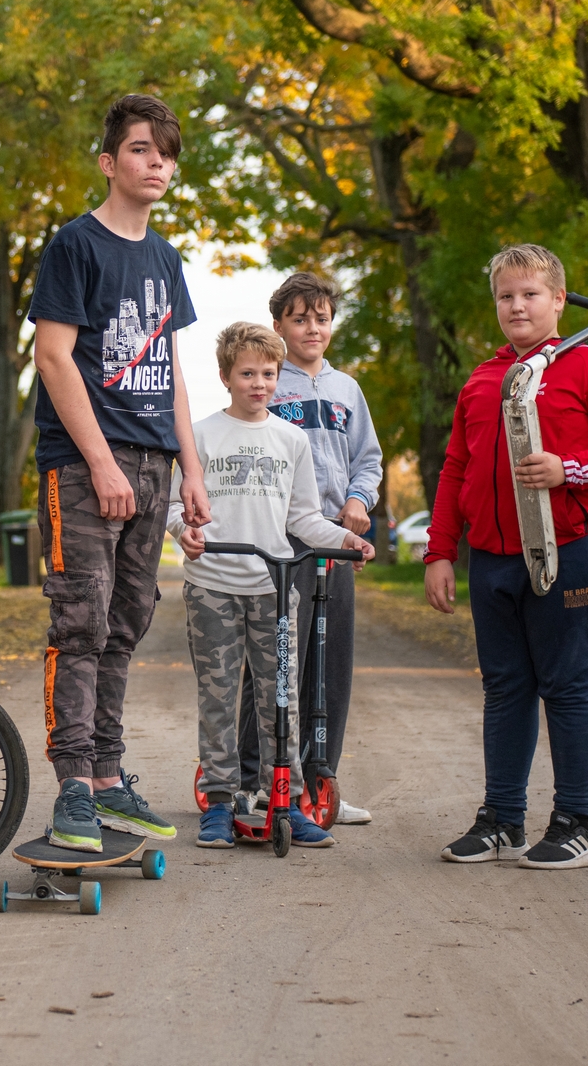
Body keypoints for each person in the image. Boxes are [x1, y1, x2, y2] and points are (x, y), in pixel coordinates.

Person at [27, 93, 212, 852]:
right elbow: (52, 357)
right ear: (109, 162)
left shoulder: (165, 258)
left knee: (128, 619)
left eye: (166, 154)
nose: (156, 163)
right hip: (85, 464)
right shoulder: (75, 245)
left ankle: (108, 777)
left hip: (152, 463)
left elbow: (171, 369)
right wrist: (102, 463)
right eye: (141, 149)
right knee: (81, 619)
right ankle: (72, 787)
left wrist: (191, 469)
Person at [424, 244, 588, 868]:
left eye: (530, 294)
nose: (517, 305)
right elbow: (456, 466)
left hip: (569, 548)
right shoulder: (482, 378)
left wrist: (567, 468)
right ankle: (503, 819)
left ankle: (578, 823)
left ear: (559, 300)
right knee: (504, 687)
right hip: (492, 558)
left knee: (567, 685)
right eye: (506, 296)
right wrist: (439, 551)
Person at [171, 323, 376, 848]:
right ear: (225, 376)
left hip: (274, 590)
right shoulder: (200, 436)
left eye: (267, 373)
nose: (258, 383)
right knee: (218, 699)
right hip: (213, 585)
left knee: (280, 698)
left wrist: (344, 540)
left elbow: (303, 517)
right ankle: (221, 802)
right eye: (247, 374)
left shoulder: (291, 440)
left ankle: (283, 798)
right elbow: (175, 507)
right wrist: (184, 532)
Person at [232, 271, 383, 824]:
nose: (312, 328)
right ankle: (253, 778)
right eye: (300, 319)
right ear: (279, 325)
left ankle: (320, 781)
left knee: (330, 660)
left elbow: (368, 459)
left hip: (336, 538)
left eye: (321, 318)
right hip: (282, 538)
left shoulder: (347, 390)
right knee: (277, 659)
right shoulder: (270, 385)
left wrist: (359, 499)